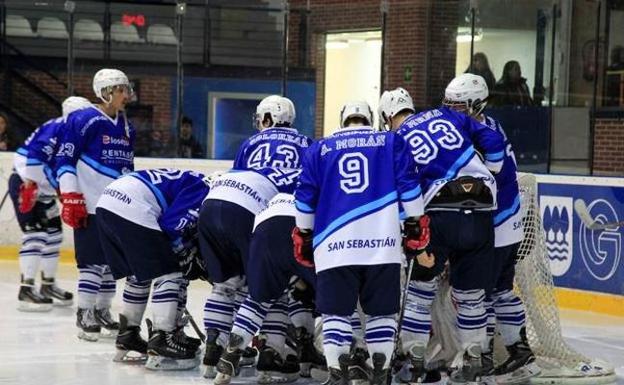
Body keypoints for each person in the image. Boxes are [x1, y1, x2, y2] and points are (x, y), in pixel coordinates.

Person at [292, 100, 432, 385]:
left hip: (334, 246)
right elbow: (409, 185)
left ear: (343, 120)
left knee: (336, 314)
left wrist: (304, 234)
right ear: (370, 118)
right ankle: (380, 369)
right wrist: (416, 221)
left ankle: (336, 372)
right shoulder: (391, 141)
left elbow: (305, 198)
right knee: (381, 314)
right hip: (382, 246)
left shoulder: (319, 148)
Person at [379, 84, 505, 384]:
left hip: (439, 213)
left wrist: (409, 234)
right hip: (483, 209)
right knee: (471, 295)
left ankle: (414, 357)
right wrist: (493, 168)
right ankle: (474, 356)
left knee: (420, 293)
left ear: (387, 116)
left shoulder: (394, 140)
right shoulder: (446, 114)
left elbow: (403, 190)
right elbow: (494, 141)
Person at [444, 73, 540, 384]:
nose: (450, 110)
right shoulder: (487, 125)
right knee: (499, 290)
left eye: (457, 105)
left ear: (476, 104)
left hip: (494, 224)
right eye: (448, 104)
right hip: (508, 221)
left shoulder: (473, 134)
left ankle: (480, 359)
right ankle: (519, 352)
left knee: (476, 294)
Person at [96, 168, 210, 370]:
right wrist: (185, 254)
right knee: (171, 272)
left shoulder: (194, 179)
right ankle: (163, 338)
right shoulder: (205, 188)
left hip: (106, 203)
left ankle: (128, 334)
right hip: (133, 206)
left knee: (137, 274)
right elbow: (172, 227)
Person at [199, 165, 302, 379]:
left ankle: (213, 349)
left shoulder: (251, 165)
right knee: (270, 288)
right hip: (251, 213)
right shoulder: (304, 174)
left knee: (226, 283)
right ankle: (269, 354)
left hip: (209, 208)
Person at [55, 68, 135, 342]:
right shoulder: (84, 119)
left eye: (126, 88)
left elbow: (127, 167)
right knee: (91, 263)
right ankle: (85, 311)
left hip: (115, 206)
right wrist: (71, 195)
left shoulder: (125, 125)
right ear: (106, 91)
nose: (127, 94)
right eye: (121, 89)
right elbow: (64, 159)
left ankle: (102, 310)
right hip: (89, 203)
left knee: (111, 263)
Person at [213, 192, 325, 384]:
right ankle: (327, 358)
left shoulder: (276, 191)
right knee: (332, 300)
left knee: (259, 300)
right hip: (303, 229)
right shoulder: (318, 185)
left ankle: (229, 356)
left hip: (265, 230)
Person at [9, 96, 91, 312]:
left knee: (54, 234)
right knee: (36, 235)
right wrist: (30, 186)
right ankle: (26, 288)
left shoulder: (74, 131)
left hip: (44, 187)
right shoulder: (57, 128)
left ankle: (47, 285)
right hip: (27, 183)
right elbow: (36, 157)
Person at [233, 95, 312, 171]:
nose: (259, 122)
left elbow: (238, 177)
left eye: (259, 118)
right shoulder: (306, 143)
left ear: (267, 120)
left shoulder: (250, 143)